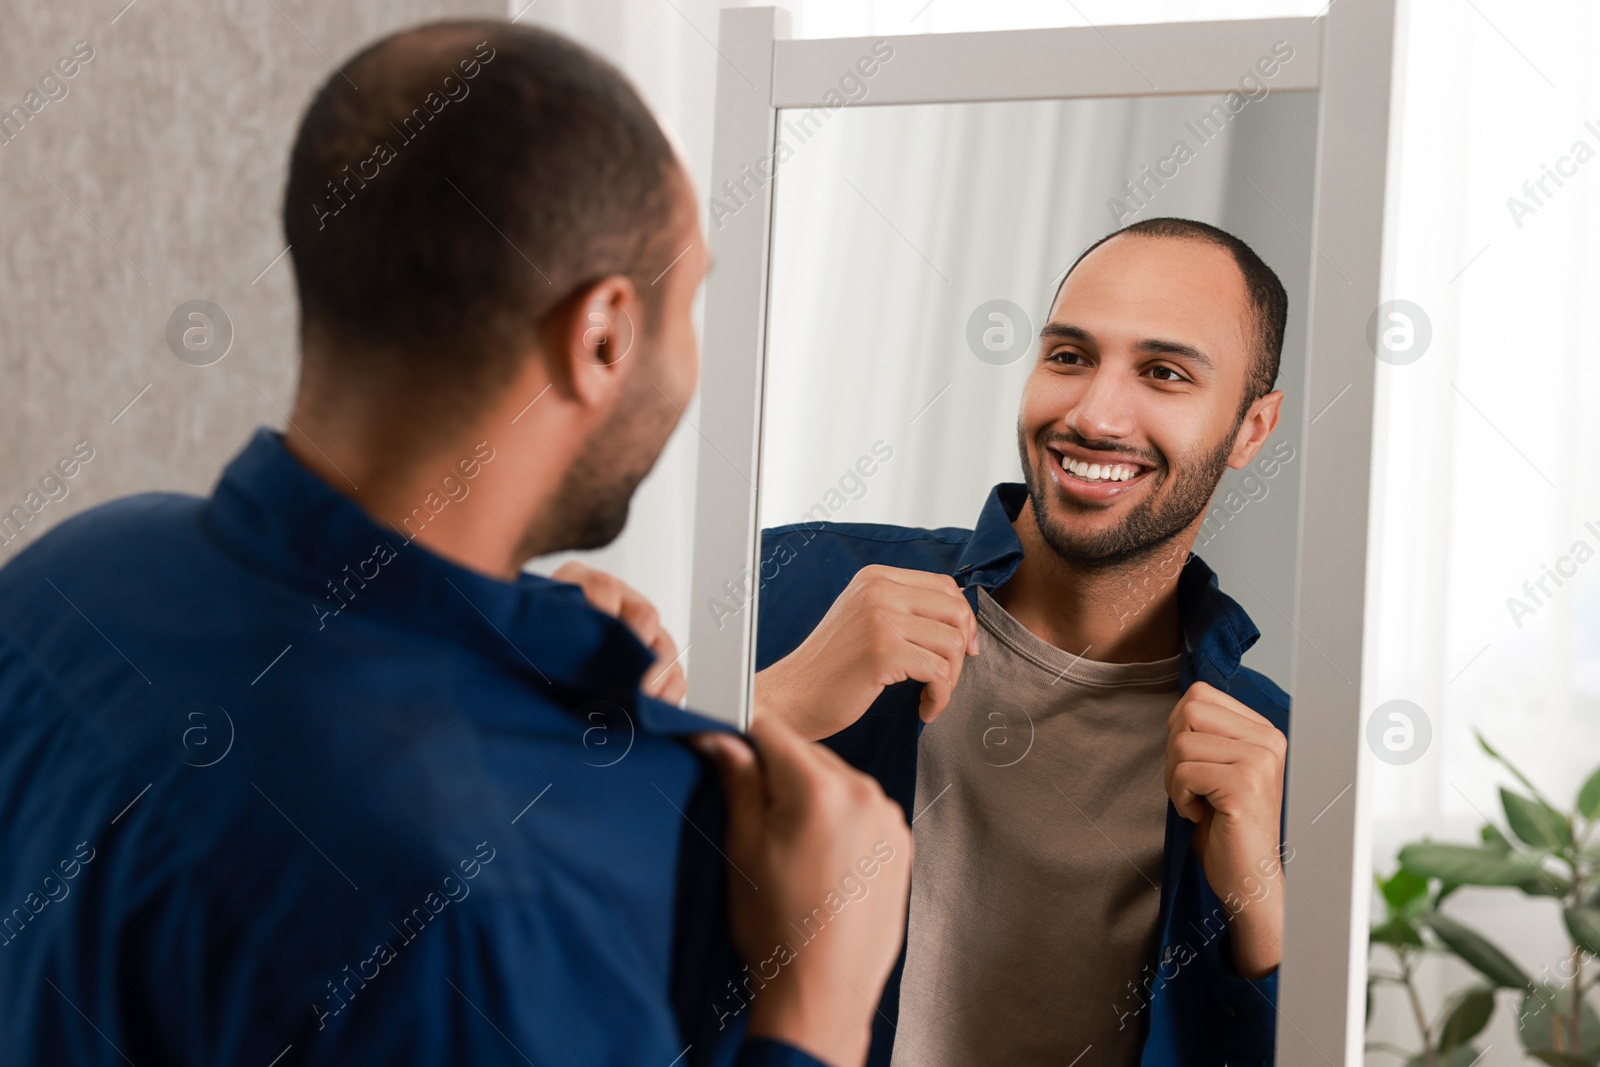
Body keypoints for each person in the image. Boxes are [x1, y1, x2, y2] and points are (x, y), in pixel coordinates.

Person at [0, 20, 912, 1067]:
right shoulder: (495, 893)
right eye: (690, 299)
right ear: (603, 334)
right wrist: (817, 1012)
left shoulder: (63, 577)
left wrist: (499, 665)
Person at [754, 218, 1295, 1067]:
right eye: (1070, 356)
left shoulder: (1272, 758)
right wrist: (770, 706)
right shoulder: (798, 583)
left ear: (1252, 428)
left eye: (1164, 373)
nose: (1092, 413)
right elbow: (539, 852)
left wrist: (1258, 904)